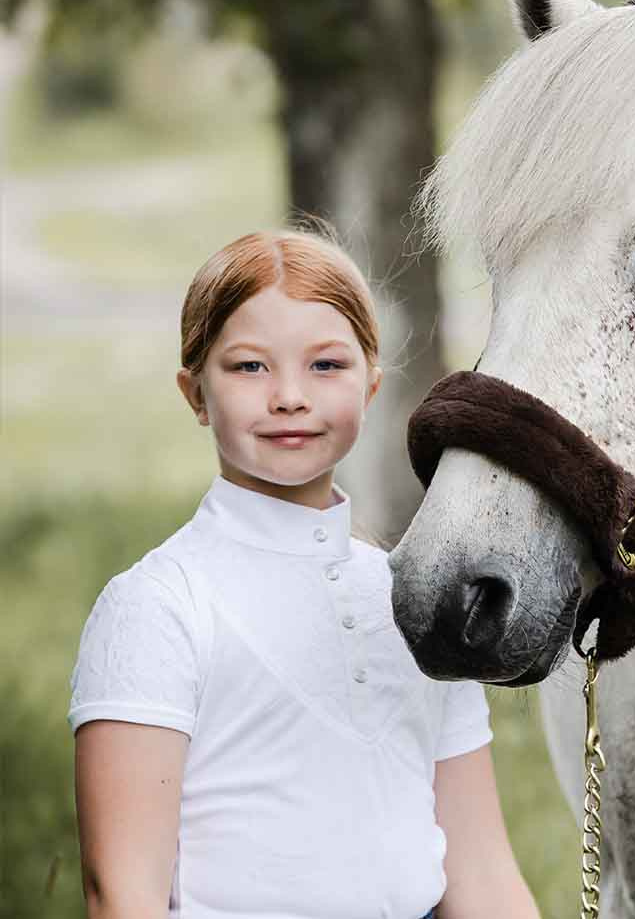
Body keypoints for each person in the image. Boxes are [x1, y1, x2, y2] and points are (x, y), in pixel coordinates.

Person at [69, 226, 540, 919]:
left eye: (325, 366)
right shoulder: (159, 606)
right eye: (249, 367)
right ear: (195, 393)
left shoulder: (411, 598)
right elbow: (121, 893)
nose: (289, 395)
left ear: (372, 384)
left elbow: (484, 876)